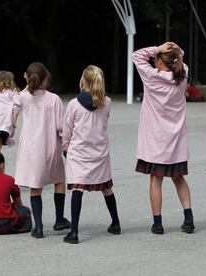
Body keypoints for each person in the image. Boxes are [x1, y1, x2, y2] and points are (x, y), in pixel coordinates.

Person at [132, 42, 195, 235]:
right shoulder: (181, 76)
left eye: (155, 58)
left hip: (155, 142)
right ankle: (189, 218)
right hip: (175, 141)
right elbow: (181, 59)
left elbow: (136, 56)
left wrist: (157, 48)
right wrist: (176, 49)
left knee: (156, 180)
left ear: (159, 61)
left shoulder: (152, 77)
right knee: (179, 178)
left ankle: (157, 223)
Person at [62, 65, 121, 244]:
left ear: (83, 80)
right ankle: (116, 223)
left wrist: (66, 147)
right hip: (100, 152)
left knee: (78, 189)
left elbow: (67, 130)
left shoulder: (74, 104)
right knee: (107, 188)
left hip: (80, 152)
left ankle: (74, 232)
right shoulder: (107, 102)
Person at [12, 62, 70, 239]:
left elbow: (13, 112)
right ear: (46, 78)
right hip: (50, 145)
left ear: (28, 78)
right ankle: (59, 218)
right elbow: (61, 126)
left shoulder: (22, 97)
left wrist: (27, 83)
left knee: (35, 186)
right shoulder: (53, 99)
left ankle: (38, 226)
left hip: (30, 147)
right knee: (59, 180)